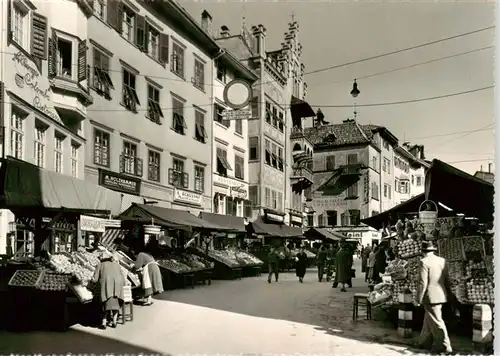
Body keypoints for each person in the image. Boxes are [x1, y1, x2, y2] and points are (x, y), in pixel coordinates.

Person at [415, 241, 453, 354]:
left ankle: (445, 346)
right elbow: (447, 280)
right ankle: (423, 342)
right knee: (428, 319)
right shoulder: (442, 261)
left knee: (437, 321)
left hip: (430, 296)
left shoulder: (423, 262)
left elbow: (423, 283)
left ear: (422, 251)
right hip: (441, 294)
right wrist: (449, 294)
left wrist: (418, 299)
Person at [92, 251, 125, 329]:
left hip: (107, 286)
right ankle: (114, 321)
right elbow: (123, 279)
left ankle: (103, 323)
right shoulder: (117, 265)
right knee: (115, 304)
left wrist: (91, 280)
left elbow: (95, 279)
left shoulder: (100, 265)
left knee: (105, 304)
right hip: (118, 286)